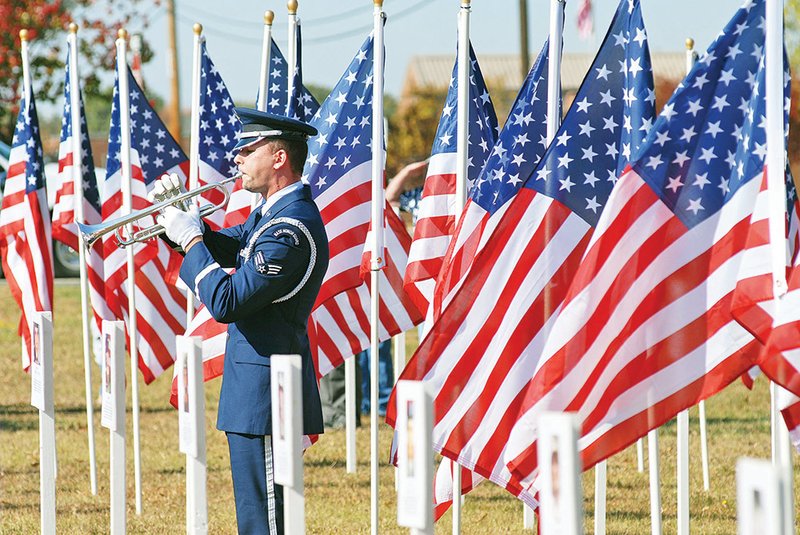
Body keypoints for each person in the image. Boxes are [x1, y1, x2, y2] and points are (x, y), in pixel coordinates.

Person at [150, 108, 329, 535]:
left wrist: (191, 236)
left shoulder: (291, 229)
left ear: (280, 158)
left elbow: (228, 301)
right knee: (255, 515)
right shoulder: (270, 215)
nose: (238, 159)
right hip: (253, 390)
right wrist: (178, 221)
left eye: (248, 150)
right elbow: (230, 247)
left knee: (263, 520)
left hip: (269, 395)